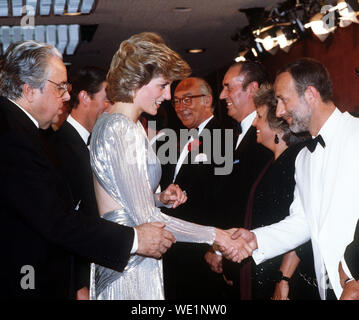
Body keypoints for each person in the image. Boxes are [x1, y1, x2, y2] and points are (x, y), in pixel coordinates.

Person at [0, 40, 178, 299]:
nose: (66, 96)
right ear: (29, 90)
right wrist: (134, 239)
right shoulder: (12, 135)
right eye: (60, 87)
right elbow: (55, 220)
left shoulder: (20, 130)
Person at [88, 32, 246, 300]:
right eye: (163, 86)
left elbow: (125, 198)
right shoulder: (120, 128)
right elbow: (147, 220)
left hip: (132, 255)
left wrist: (159, 198)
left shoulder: (124, 124)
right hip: (129, 264)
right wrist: (216, 235)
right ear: (137, 80)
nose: (168, 95)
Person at [221, 58, 359, 300]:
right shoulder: (304, 158)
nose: (279, 112)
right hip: (325, 288)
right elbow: (302, 222)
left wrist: (352, 275)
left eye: (284, 100)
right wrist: (255, 239)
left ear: (310, 95)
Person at [235, 83, 317, 300]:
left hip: (285, 275)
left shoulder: (296, 159)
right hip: (266, 265)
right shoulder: (274, 161)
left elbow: (302, 223)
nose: (254, 123)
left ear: (278, 124)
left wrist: (284, 278)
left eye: (259, 116)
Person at [206, 62, 273, 294]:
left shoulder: (265, 136)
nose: (222, 95)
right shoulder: (238, 134)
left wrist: (221, 249)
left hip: (253, 256)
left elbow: (249, 201)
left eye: (228, 87)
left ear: (252, 89)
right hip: (237, 253)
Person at [160, 77, 228, 299]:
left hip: (202, 251)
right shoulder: (179, 138)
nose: (181, 107)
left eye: (188, 100)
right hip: (176, 248)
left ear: (208, 100)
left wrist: (217, 247)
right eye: (177, 101)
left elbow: (224, 197)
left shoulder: (221, 137)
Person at [47, 66, 111, 299]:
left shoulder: (90, 144)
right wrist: (78, 283)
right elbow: (64, 222)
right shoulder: (60, 147)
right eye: (107, 98)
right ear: (84, 97)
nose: (110, 106)